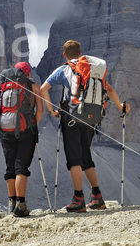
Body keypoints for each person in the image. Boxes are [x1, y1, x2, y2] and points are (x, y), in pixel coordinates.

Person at [40, 40, 130, 212]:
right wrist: (121, 107)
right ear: (80, 52)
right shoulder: (92, 69)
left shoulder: (64, 69)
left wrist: (52, 111)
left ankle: (78, 199)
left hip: (71, 117)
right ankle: (97, 197)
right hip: (91, 118)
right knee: (85, 155)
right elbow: (109, 89)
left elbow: (44, 88)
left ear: (65, 55)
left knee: (74, 158)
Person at [0, 61, 44, 217]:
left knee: (10, 166)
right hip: (25, 131)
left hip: (5, 129)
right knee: (21, 166)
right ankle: (21, 204)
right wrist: (32, 126)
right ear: (27, 73)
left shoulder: (5, 84)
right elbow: (40, 111)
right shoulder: (33, 87)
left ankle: (11, 203)